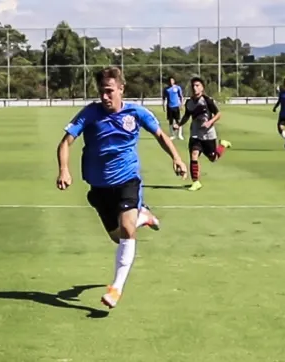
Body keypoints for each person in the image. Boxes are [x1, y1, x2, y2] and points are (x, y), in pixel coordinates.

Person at [56, 66, 187, 309]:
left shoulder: (136, 113)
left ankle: (116, 288)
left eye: (109, 91)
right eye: (101, 92)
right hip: (98, 187)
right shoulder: (89, 114)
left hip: (127, 180)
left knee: (127, 230)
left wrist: (177, 158)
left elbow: (160, 135)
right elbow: (65, 142)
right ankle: (143, 216)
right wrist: (64, 169)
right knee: (119, 238)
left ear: (121, 89)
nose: (105, 97)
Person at [174, 76, 232, 191]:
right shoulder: (189, 102)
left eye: (197, 86)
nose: (195, 88)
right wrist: (179, 124)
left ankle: (223, 145)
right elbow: (187, 116)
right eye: (193, 86)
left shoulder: (207, 100)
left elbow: (218, 114)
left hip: (208, 134)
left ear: (202, 88)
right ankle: (196, 182)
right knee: (194, 155)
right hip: (195, 133)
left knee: (213, 158)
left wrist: (210, 122)